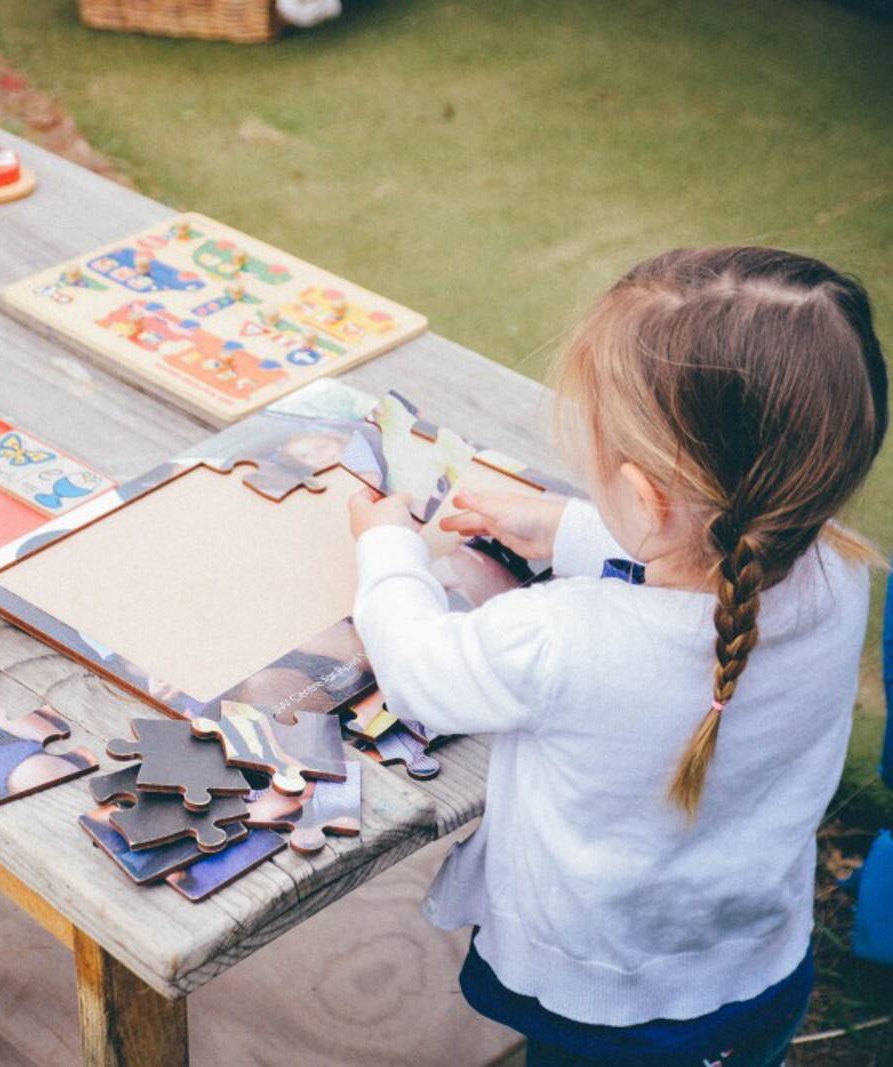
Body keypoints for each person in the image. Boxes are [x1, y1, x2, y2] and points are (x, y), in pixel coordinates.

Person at [348, 247, 886, 1065]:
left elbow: (421, 671)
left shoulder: (564, 637)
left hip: (606, 1012)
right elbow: (712, 544)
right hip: (762, 970)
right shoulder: (843, 575)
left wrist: (386, 549)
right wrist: (566, 528)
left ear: (643, 498)